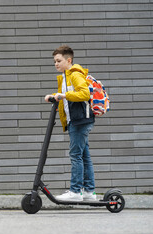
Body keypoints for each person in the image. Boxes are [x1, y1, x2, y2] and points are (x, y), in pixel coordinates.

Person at [44, 45, 96, 201]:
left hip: (79, 121)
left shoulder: (75, 74)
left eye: (59, 60)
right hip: (77, 120)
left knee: (75, 155)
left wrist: (63, 95)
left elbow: (84, 93)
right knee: (84, 156)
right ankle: (88, 192)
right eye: (54, 61)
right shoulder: (66, 76)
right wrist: (54, 95)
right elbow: (66, 95)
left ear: (69, 60)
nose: (56, 64)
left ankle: (75, 192)